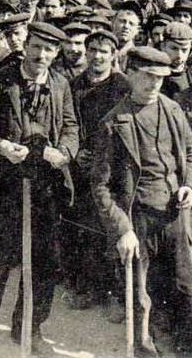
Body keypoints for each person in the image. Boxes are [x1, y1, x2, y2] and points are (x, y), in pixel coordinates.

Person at [0, 22, 79, 358]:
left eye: (50, 50)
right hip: (3, 190)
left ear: (56, 53)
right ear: (25, 46)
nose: (42, 55)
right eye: (37, 47)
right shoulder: (0, 82)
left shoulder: (60, 84)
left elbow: (71, 128)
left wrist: (64, 153)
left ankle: (29, 328)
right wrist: (1, 146)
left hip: (45, 190)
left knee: (43, 267)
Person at [90, 46, 192, 357]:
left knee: (187, 289)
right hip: (137, 218)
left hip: (175, 215)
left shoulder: (172, 110)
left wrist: (190, 187)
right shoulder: (113, 122)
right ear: (131, 74)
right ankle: (145, 351)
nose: (154, 83)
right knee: (139, 294)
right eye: (147, 76)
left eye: (160, 77)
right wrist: (122, 228)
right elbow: (100, 185)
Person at [66, 29, 131, 312]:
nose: (96, 56)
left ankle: (116, 294)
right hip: (82, 165)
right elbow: (67, 122)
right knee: (83, 229)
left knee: (113, 228)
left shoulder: (123, 86)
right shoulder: (74, 85)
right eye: (92, 49)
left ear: (113, 54)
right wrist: (77, 151)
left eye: (104, 51)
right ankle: (86, 288)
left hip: (112, 168)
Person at [158, 21, 192, 99]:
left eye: (184, 50)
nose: (179, 55)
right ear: (162, 46)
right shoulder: (154, 72)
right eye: (174, 48)